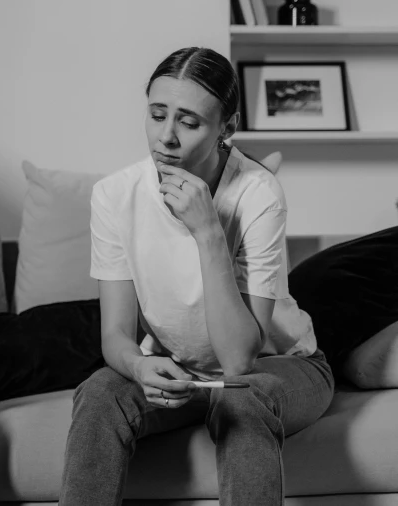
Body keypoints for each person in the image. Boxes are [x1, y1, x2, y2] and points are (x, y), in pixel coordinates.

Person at [58, 47, 334, 506]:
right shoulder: (114, 196)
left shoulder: (258, 194)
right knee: (100, 391)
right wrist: (139, 365)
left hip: (280, 366)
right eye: (156, 114)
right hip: (182, 372)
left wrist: (208, 231)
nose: (165, 137)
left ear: (227, 127)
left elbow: (239, 361)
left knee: (241, 397)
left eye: (188, 122)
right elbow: (116, 335)